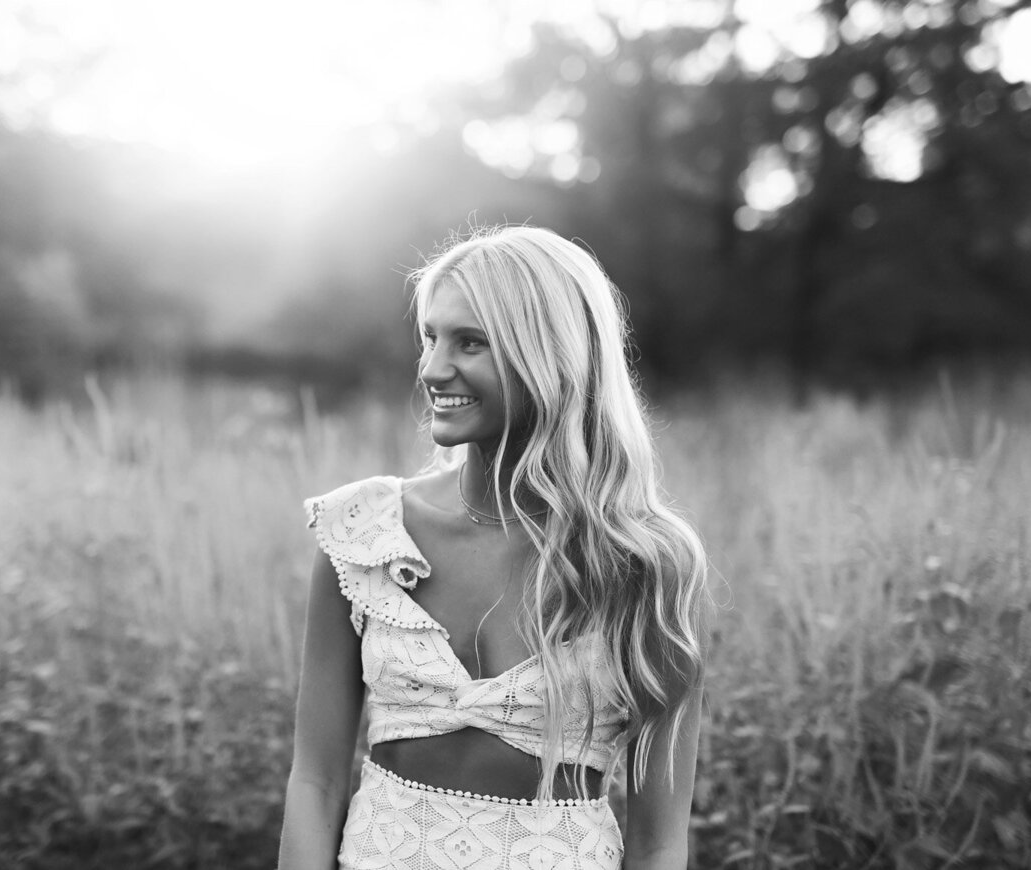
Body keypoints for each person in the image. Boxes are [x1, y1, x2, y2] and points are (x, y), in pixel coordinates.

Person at [277, 225, 710, 870]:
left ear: (549, 354)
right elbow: (317, 782)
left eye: (470, 342)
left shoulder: (648, 565)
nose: (431, 369)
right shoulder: (365, 532)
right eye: (429, 337)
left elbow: (658, 841)